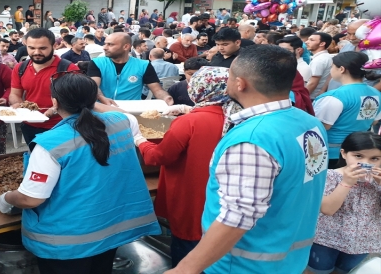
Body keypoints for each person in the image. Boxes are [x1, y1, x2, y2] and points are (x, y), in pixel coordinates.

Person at [166, 45, 329, 274]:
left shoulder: (252, 139)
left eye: (230, 76)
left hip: (242, 265)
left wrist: (185, 269)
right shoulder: (309, 123)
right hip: (289, 259)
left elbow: (238, 216)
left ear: (240, 83)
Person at [0, 72, 160, 273]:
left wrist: (5, 199)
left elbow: (31, 199)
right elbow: (114, 112)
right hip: (111, 229)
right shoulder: (122, 121)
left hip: (68, 242)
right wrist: (91, 102)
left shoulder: (50, 144)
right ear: (94, 99)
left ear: (54, 102)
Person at [138, 67, 239, 266]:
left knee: (187, 253)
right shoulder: (238, 117)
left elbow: (159, 156)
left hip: (191, 201)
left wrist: (140, 140)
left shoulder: (190, 122)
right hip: (227, 202)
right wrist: (189, 109)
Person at [305, 131, 381, 274]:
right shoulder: (329, 176)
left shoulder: (377, 181)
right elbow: (327, 209)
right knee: (317, 271)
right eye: (358, 156)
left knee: (345, 271)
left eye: (375, 158)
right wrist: (346, 183)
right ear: (344, 153)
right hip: (326, 240)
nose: (366, 163)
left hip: (363, 242)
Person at [9, 28, 80, 146]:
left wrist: (55, 109)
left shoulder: (69, 69)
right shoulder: (20, 68)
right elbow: (15, 93)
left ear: (55, 46)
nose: (36, 52)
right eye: (31, 48)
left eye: (42, 48)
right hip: (29, 124)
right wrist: (18, 104)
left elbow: (78, 100)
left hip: (60, 126)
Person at [313, 52, 380, 168]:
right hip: (359, 152)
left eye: (332, 66)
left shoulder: (334, 97)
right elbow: (374, 121)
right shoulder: (376, 93)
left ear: (342, 69)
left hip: (332, 154)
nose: (331, 70)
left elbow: (320, 127)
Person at [88, 33, 174, 104]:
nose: (104, 47)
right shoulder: (97, 63)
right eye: (105, 43)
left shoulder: (143, 65)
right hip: (103, 109)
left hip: (131, 110)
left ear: (126, 47)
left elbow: (157, 89)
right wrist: (102, 97)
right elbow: (94, 86)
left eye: (110, 44)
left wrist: (166, 97)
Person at [306, 32, 334, 99]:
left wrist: (303, 98)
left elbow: (312, 83)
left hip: (312, 97)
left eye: (311, 40)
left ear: (322, 43)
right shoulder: (325, 57)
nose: (307, 42)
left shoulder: (319, 60)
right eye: (308, 39)